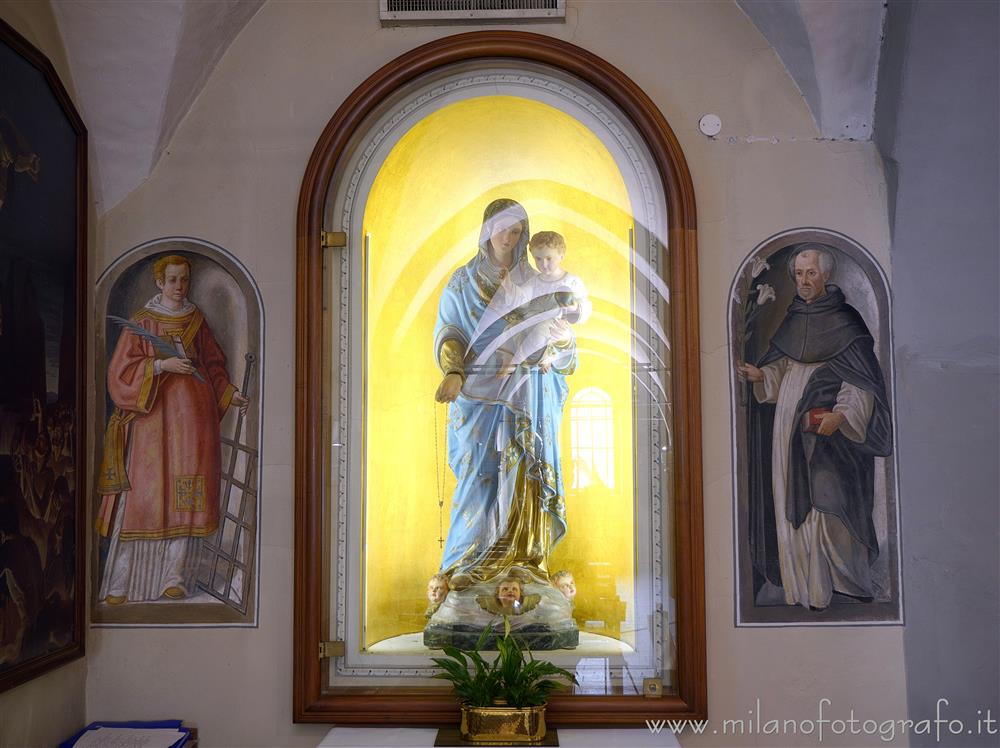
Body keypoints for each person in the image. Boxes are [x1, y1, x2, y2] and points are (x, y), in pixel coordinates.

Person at [737, 246, 892, 610]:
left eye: (811, 273)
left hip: (834, 435)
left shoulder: (847, 321)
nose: (804, 281)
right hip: (790, 422)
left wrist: (844, 416)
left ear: (826, 276)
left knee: (829, 503)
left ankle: (843, 581)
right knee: (792, 494)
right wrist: (764, 376)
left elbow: (862, 382)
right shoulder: (793, 319)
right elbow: (783, 369)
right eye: (799, 274)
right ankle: (805, 587)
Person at [433, 199, 575, 591]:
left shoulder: (539, 281)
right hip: (479, 396)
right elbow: (450, 333)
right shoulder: (462, 284)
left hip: (528, 394)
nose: (508, 238)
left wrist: (564, 342)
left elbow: (563, 339)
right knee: (480, 477)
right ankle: (468, 561)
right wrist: (454, 372)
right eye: (502, 228)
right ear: (486, 229)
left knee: (525, 476)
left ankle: (523, 565)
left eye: (516, 231)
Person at [96, 255, 249, 604]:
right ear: (160, 283)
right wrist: (161, 364)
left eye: (184, 280)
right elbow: (119, 373)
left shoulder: (196, 320)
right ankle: (122, 583)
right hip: (152, 425)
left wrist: (230, 392)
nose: (180, 287)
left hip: (194, 426)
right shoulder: (143, 322)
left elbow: (213, 364)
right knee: (144, 500)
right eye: (173, 280)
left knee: (186, 501)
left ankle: (174, 578)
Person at [498, 231, 591, 375]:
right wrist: (508, 286)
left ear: (561, 255)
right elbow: (522, 298)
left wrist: (574, 307)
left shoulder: (571, 281)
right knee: (509, 328)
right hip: (532, 320)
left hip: (554, 325)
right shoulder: (536, 281)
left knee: (542, 330)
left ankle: (515, 362)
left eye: (549, 258)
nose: (543, 264)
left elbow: (585, 305)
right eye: (538, 259)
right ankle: (508, 359)